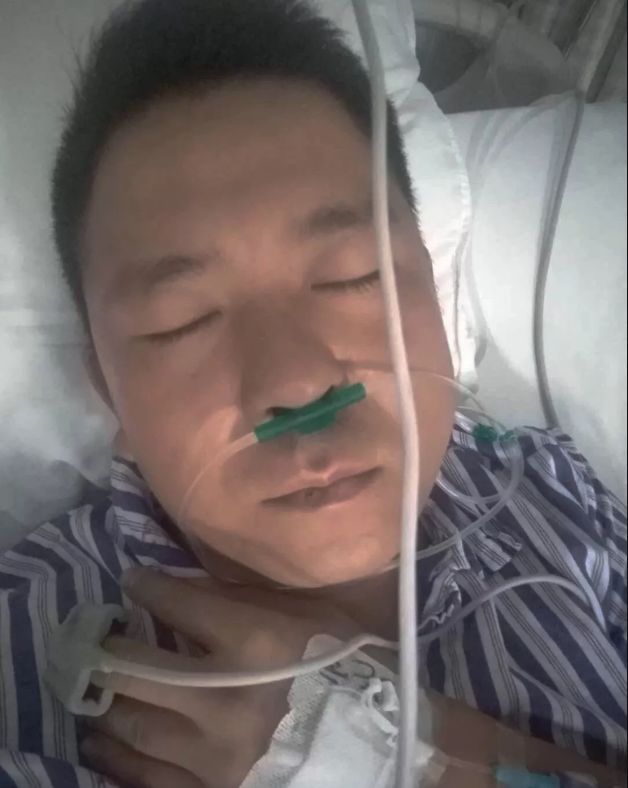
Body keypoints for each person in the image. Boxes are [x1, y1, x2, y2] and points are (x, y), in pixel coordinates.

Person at [0, 1, 625, 786]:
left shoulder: (553, 492)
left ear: (431, 294)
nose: (297, 383)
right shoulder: (24, 650)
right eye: (181, 321)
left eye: (353, 275)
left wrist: (400, 757)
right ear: (109, 393)